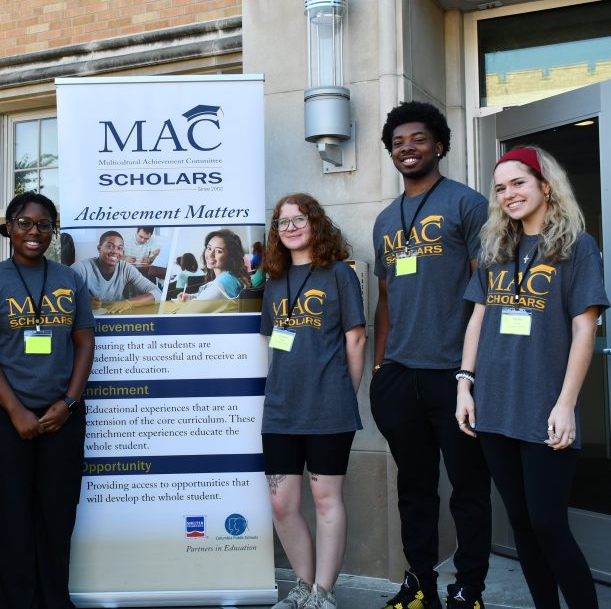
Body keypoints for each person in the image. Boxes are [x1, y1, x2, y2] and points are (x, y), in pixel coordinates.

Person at [457, 146, 606, 609]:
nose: (509, 194)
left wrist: (566, 403)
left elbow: (585, 329)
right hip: (493, 406)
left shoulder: (576, 246)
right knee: (521, 523)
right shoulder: (495, 248)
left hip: (544, 405)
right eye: (500, 188)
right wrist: (464, 384)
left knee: (548, 523)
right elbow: (478, 319)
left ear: (545, 185)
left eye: (518, 183)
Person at [370, 101, 492, 609]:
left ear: (439, 145)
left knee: (468, 488)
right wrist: (379, 367)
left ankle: (469, 588)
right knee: (414, 489)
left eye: (418, 139)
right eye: (398, 143)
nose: (408, 148)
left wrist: (475, 370)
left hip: (455, 374)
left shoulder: (468, 204)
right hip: (401, 375)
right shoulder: (385, 220)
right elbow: (385, 299)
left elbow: (489, 290)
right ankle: (420, 583)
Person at [0, 192, 95, 609]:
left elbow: (85, 343)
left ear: (53, 231)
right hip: (3, 415)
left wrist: (68, 402)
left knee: (56, 516)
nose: (34, 232)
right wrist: (15, 409)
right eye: (24, 223)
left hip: (61, 415)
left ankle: (52, 601)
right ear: (9, 228)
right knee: (7, 517)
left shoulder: (70, 280)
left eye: (43, 224)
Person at [261, 194, 365, 609]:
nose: (290, 228)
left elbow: (356, 340)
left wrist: (343, 394)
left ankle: (323, 593)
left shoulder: (339, 274)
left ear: (316, 223)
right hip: (280, 409)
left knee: (325, 499)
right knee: (281, 502)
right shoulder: (274, 281)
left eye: (298, 219)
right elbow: (272, 341)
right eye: (282, 222)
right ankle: (303, 586)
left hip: (328, 408)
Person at [72, 230, 161, 313]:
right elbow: (65, 295)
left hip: (115, 317)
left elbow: (157, 293)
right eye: (109, 246)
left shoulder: (126, 268)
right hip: (89, 317)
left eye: (119, 248)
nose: (115, 251)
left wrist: (129, 303)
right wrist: (83, 301)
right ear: (99, 248)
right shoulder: (81, 268)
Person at [176, 229, 250, 302]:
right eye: (209, 248)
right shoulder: (232, 277)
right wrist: (190, 297)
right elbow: (210, 296)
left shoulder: (218, 286)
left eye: (218, 251)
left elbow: (213, 294)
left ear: (231, 256)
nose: (210, 254)